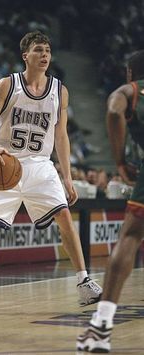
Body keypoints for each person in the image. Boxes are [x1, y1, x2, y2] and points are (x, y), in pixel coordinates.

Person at [0, 31, 102, 316]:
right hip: (5, 161)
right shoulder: (6, 85)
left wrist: (67, 175)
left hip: (40, 164)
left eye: (48, 50)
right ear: (26, 55)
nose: (45, 54)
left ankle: (84, 282)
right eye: (38, 50)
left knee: (64, 216)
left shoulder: (60, 90)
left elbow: (61, 136)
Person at [77, 49, 144, 353]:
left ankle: (101, 328)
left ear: (130, 74)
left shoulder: (131, 90)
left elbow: (115, 110)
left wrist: (119, 161)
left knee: (129, 237)